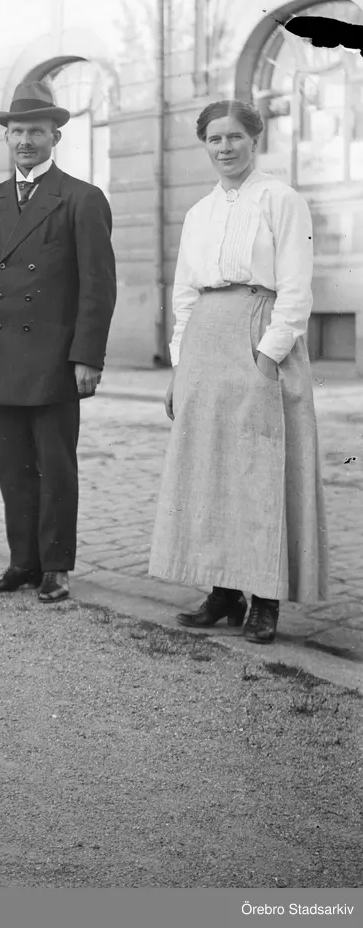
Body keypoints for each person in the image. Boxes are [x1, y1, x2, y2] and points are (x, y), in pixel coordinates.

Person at [149, 99, 328, 644]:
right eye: (214, 139)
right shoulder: (199, 212)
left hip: (258, 332)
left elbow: (295, 287)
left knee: (260, 468)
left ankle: (266, 598)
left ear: (255, 139)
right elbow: (185, 294)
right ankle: (223, 592)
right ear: (204, 145)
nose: (224, 147)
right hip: (205, 340)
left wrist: (269, 354)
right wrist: (181, 364)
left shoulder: (281, 199)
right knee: (210, 467)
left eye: (234, 137)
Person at [0, 79, 117, 602]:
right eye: (17, 131)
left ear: (56, 137)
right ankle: (22, 562)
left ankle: (55, 567)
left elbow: (98, 287)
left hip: (54, 359)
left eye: (36, 131)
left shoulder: (81, 198)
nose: (25, 140)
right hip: (2, 354)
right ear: (6, 137)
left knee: (55, 467)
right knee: (12, 467)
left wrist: (87, 357)